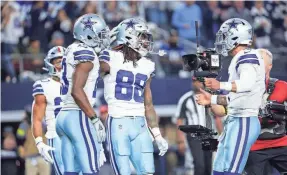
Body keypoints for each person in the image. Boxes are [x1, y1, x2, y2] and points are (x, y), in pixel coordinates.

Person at [195, 18, 265, 175]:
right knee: (219, 169)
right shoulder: (239, 59)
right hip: (234, 119)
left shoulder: (248, 55)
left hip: (244, 120)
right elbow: (234, 99)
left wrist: (220, 85)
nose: (222, 40)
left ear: (235, 37)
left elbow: (246, 85)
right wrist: (211, 99)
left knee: (231, 171)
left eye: (225, 35)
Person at [99, 18, 168, 175]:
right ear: (128, 36)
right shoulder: (110, 57)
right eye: (142, 37)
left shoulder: (147, 65)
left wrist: (157, 134)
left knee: (148, 171)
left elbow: (148, 104)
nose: (145, 41)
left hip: (140, 124)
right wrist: (100, 49)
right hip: (118, 121)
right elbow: (93, 68)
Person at [56, 14, 110, 174]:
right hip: (77, 116)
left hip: (63, 116)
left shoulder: (72, 48)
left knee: (71, 171)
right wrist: (94, 118)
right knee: (90, 170)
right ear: (88, 34)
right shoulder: (86, 54)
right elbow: (77, 91)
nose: (103, 39)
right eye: (100, 35)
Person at [244, 49, 287, 175]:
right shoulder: (242, 88)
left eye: (261, 62)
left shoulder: (283, 87)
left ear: (270, 66)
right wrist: (211, 100)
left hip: (282, 143)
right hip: (254, 147)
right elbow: (223, 109)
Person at [31, 46, 65, 175]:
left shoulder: (79, 82)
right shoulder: (43, 85)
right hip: (57, 136)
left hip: (79, 135)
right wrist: (39, 142)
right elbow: (37, 119)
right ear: (50, 64)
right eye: (58, 62)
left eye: (64, 61)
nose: (62, 65)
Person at [174, 77, 215, 175]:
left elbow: (217, 117)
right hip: (194, 136)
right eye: (195, 81)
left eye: (200, 81)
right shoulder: (186, 99)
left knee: (209, 166)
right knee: (199, 164)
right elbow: (179, 120)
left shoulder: (210, 97)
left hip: (209, 135)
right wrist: (180, 141)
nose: (198, 83)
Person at [17, 105, 51, 175]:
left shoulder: (42, 123)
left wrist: (39, 120)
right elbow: (19, 137)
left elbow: (49, 131)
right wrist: (26, 124)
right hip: (30, 158)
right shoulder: (23, 125)